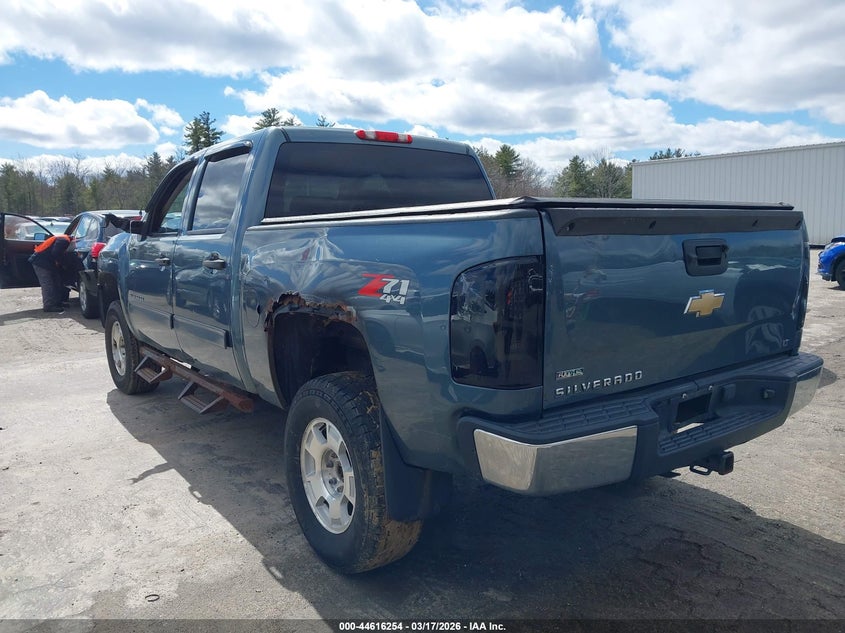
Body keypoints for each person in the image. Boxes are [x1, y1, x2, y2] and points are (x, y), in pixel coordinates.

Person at [29, 234, 73, 313]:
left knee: (56, 281)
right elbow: (56, 253)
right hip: (40, 262)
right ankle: (48, 306)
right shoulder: (64, 240)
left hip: (44, 261)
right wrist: (63, 264)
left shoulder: (62, 238)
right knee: (48, 284)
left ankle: (57, 303)